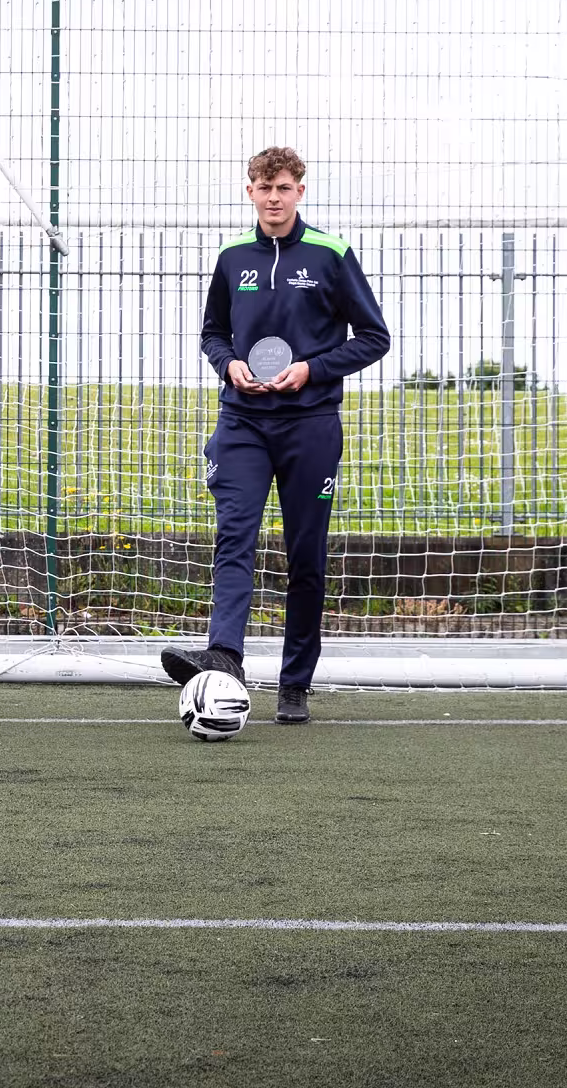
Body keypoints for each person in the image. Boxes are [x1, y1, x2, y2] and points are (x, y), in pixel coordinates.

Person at [162, 147, 390, 724]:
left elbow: (373, 337)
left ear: (300, 191)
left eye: (283, 187)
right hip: (241, 422)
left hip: (310, 426)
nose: (273, 198)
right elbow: (213, 333)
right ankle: (225, 657)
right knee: (233, 536)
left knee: (304, 556)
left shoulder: (332, 254)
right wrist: (229, 365)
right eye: (263, 188)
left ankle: (295, 684)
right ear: (249, 192)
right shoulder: (232, 256)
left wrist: (311, 370)